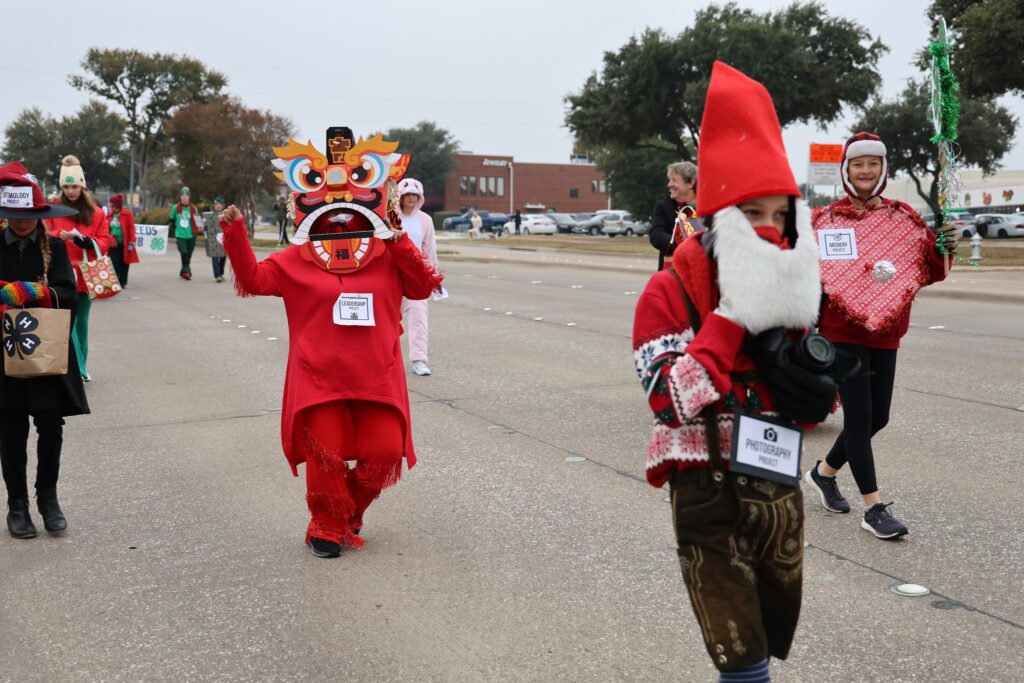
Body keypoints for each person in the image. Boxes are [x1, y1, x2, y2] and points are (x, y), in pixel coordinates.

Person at [633, 62, 832, 682]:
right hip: (704, 485)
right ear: (720, 218)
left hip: (775, 479)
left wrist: (811, 382)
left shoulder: (790, 290)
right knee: (740, 653)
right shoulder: (668, 291)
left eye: (780, 215)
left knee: (769, 630)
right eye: (752, 213)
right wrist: (730, 319)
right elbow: (669, 398)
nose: (770, 231)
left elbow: (807, 404)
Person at [224, 127, 442, 558]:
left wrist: (398, 240)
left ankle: (347, 512)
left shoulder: (388, 253)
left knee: (386, 451)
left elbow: (421, 288)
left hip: (376, 375)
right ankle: (325, 524)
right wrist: (235, 236)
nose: (341, 209)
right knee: (326, 454)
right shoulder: (294, 260)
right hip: (318, 377)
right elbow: (252, 279)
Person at [804, 132, 954, 540]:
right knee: (859, 417)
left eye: (873, 163)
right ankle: (873, 508)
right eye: (858, 164)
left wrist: (943, 248)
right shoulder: (825, 221)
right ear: (846, 170)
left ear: (883, 169)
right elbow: (808, 274)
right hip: (840, 331)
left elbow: (929, 270)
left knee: (879, 417)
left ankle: (823, 473)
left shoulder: (902, 218)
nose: (865, 170)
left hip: (886, 329)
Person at [0, 162, 90, 538]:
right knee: (11, 432)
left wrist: (36, 292)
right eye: (15, 216)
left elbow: (69, 295)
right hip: (5, 357)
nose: (23, 224)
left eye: (29, 217)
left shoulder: (55, 247)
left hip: (46, 356)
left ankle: (48, 499)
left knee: (51, 426)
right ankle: (17, 505)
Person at [44, 155, 110, 382]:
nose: (71, 191)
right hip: (61, 274)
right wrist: (57, 235)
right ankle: (75, 367)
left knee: (81, 322)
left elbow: (105, 241)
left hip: (87, 275)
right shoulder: (53, 209)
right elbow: (43, 234)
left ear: (82, 186)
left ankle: (81, 366)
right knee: (66, 322)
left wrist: (87, 242)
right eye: (66, 187)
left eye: (74, 187)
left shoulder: (96, 213)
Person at [396, 178, 438, 377]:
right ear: (400, 197)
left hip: (416, 276)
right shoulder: (389, 217)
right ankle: (387, 356)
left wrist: (433, 277)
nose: (411, 198)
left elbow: (429, 249)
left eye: (415, 195)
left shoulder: (425, 220)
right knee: (388, 318)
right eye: (407, 195)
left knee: (418, 318)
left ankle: (419, 360)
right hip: (392, 275)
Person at [650, 161, 702, 271]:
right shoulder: (663, 206)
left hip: (701, 269)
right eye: (669, 180)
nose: (669, 184)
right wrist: (679, 242)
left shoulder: (706, 206)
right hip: (673, 271)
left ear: (690, 182)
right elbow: (656, 235)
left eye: (675, 180)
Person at [106, 193, 138, 287]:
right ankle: (114, 279)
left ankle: (122, 282)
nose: (110, 207)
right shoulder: (110, 216)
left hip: (125, 243)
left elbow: (131, 228)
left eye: (112, 205)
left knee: (124, 263)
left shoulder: (127, 214)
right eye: (110, 205)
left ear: (117, 205)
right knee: (113, 262)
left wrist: (132, 241)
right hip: (113, 243)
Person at [168, 187, 201, 280]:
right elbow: (171, 220)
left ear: (189, 197)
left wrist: (201, 227)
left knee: (188, 255)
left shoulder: (194, 208)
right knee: (184, 253)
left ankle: (184, 270)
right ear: (180, 197)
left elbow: (198, 222)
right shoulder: (175, 208)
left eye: (186, 195)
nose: (184, 197)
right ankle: (187, 271)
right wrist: (170, 227)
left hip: (191, 235)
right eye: (182, 195)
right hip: (180, 235)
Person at [203, 196, 228, 282]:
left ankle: (221, 273)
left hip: (223, 240)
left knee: (223, 257)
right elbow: (205, 227)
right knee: (215, 257)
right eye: (216, 204)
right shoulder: (209, 216)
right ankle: (217, 275)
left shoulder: (226, 215)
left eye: (219, 204)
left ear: (222, 205)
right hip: (213, 240)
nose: (218, 205)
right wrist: (204, 224)